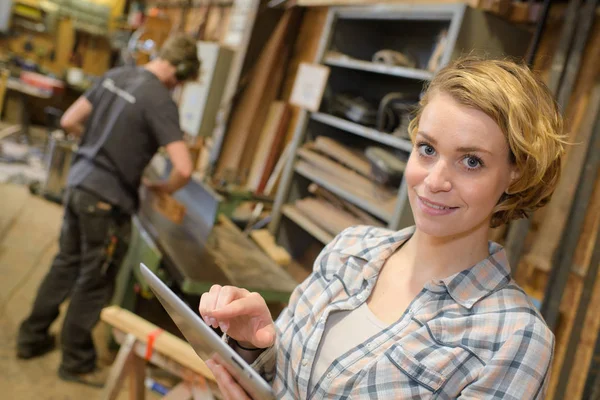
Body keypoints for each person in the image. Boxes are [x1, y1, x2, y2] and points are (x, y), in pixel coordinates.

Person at [199, 56, 567, 399]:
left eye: (471, 161)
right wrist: (252, 349)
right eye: (427, 149)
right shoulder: (350, 249)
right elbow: (282, 379)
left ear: (515, 175)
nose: (435, 180)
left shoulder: (514, 339)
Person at [16, 33, 199, 387]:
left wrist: (99, 147)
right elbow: (185, 168)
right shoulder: (160, 100)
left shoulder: (116, 75)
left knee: (66, 263)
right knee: (95, 279)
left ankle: (31, 338)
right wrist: (163, 188)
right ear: (180, 72)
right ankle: (77, 361)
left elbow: (70, 120)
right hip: (107, 199)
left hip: (79, 184)